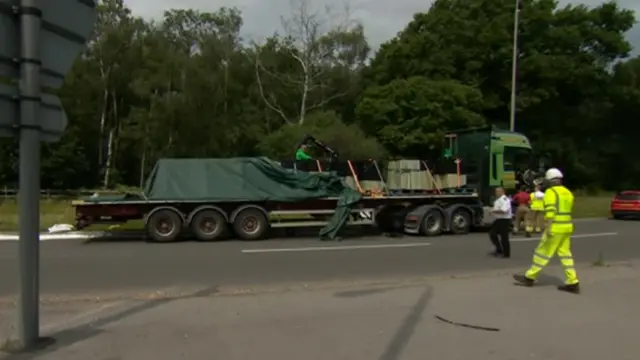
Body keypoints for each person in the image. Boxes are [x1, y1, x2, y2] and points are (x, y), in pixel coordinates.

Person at [513, 168, 580, 294]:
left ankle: (529, 277)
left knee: (542, 253)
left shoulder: (551, 192)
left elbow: (550, 212)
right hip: (567, 227)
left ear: (550, 180)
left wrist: (548, 227)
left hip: (555, 227)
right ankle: (573, 282)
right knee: (565, 254)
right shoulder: (568, 192)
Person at [489, 187, 512, 258]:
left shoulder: (505, 199)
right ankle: (499, 249)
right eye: (496, 191)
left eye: (499, 191)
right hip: (498, 220)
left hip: (504, 220)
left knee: (504, 237)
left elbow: (504, 210)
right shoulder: (498, 199)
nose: (497, 192)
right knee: (492, 234)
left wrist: (493, 211)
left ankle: (506, 254)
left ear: (503, 192)